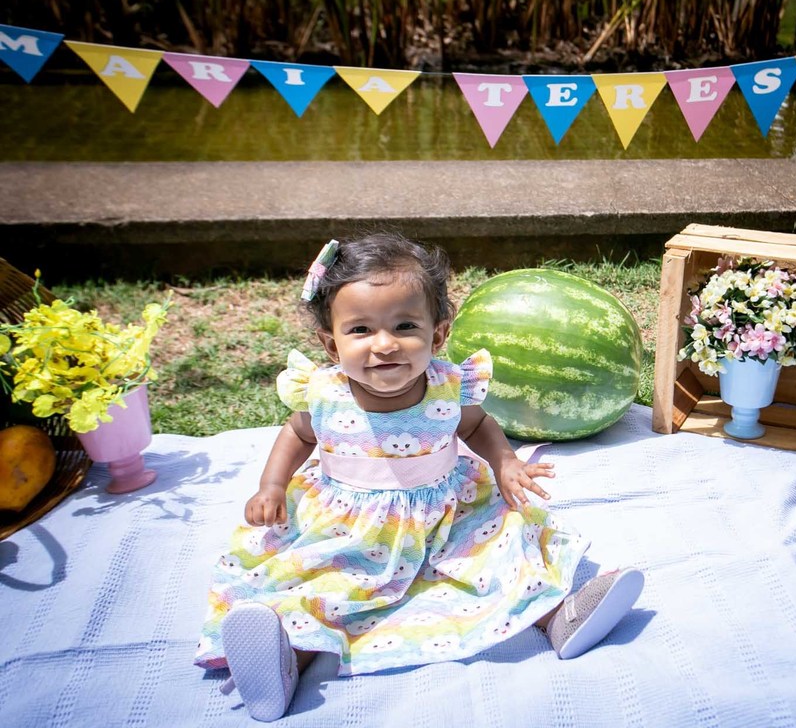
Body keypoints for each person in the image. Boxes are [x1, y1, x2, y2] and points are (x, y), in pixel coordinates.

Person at [195, 234, 644, 721]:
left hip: (447, 515)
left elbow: (476, 425)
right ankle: (285, 658)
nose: (384, 345)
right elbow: (296, 435)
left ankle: (562, 618)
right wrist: (273, 485)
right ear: (332, 343)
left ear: (437, 334)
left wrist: (505, 462)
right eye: (361, 329)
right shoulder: (324, 392)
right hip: (350, 524)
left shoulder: (448, 385)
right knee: (324, 583)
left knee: (501, 553)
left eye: (405, 326)